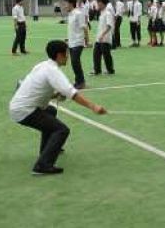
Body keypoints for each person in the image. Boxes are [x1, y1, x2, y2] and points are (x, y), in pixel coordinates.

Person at [9, 40, 106, 175]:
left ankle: (47, 150)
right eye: (66, 54)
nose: (68, 56)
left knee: (51, 111)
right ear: (59, 55)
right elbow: (73, 94)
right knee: (62, 130)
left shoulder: (42, 65)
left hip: (19, 106)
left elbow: (36, 90)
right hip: (24, 111)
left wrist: (54, 95)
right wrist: (93, 106)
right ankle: (42, 166)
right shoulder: (53, 71)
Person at [64, 0, 89, 89]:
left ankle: (81, 82)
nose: (64, 6)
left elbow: (85, 27)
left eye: (65, 3)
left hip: (78, 42)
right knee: (74, 63)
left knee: (75, 62)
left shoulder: (78, 14)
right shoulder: (70, 14)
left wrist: (87, 40)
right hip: (71, 42)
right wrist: (68, 38)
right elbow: (72, 29)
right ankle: (78, 81)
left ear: (71, 3)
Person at [92, 0, 115, 75]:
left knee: (106, 55)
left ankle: (110, 70)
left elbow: (109, 26)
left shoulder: (107, 13)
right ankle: (97, 70)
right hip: (99, 38)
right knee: (96, 54)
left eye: (99, 3)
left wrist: (102, 35)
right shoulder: (102, 13)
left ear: (103, 4)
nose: (98, 4)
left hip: (105, 38)